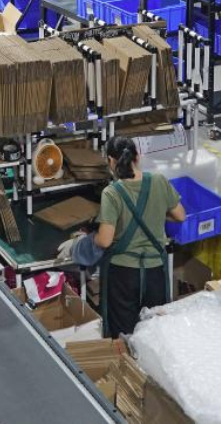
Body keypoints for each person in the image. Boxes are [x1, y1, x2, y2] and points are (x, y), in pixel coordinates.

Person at [93, 136, 185, 337]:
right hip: (155, 272)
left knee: (125, 336)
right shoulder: (159, 181)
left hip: (123, 274)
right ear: (139, 156)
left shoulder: (111, 193)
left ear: (111, 161)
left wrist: (89, 238)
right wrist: (157, 212)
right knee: (155, 333)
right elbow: (180, 215)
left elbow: (105, 240)